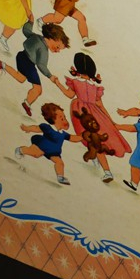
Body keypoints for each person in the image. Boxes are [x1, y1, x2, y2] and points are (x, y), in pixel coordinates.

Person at [52, 52, 131, 184]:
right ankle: (96, 158)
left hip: (83, 114)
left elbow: (69, 94)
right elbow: (100, 105)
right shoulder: (94, 86)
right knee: (93, 139)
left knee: (92, 139)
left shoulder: (76, 82)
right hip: (96, 114)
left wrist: (57, 83)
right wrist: (109, 120)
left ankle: (106, 170)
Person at [0, 21, 70, 116]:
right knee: (38, 89)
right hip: (28, 63)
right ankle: (27, 103)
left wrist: (30, 22)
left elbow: (26, 31)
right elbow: (41, 65)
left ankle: (2, 64)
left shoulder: (36, 37)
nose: (58, 50)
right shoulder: (43, 50)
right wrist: (50, 76)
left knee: (21, 78)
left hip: (21, 56)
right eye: (58, 47)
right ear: (52, 38)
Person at [15, 103, 82, 185]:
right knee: (35, 154)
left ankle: (60, 177)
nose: (64, 120)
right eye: (61, 118)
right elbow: (37, 128)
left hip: (53, 152)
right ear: (53, 120)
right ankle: (21, 150)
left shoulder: (63, 134)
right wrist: (28, 128)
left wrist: (82, 137)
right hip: (43, 146)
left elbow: (72, 138)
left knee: (60, 163)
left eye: (64, 117)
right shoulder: (48, 128)